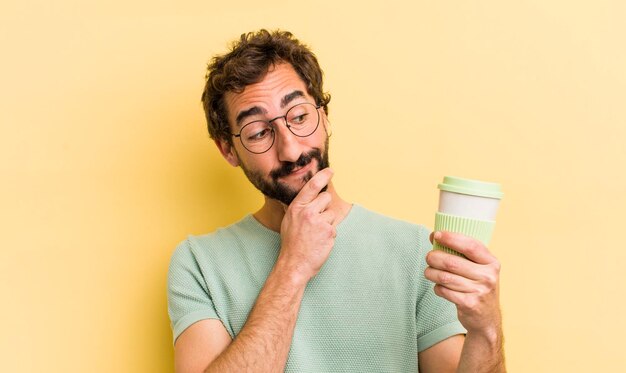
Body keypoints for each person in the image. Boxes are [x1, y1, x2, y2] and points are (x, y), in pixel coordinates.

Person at [167, 29, 505, 373]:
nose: (291, 149)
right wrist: (293, 267)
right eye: (258, 132)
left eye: (299, 117)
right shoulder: (198, 264)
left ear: (324, 115)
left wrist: (485, 329)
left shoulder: (417, 251)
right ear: (228, 150)